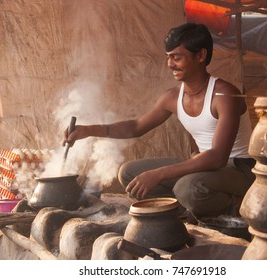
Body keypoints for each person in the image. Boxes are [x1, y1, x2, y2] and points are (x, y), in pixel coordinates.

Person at [63, 23, 255, 218]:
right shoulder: (172, 97)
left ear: (200, 56)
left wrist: (159, 173)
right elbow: (137, 127)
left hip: (237, 169)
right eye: (168, 57)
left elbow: (218, 157)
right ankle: (187, 209)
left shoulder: (225, 94)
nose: (170, 64)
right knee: (130, 173)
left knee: (187, 188)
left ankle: (237, 209)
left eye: (177, 57)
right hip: (202, 164)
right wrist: (88, 131)